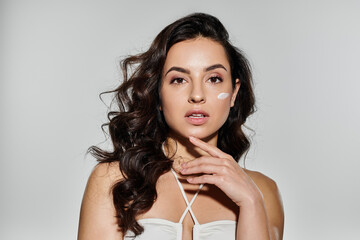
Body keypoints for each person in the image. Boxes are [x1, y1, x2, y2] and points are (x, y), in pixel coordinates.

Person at [78, 13, 284, 240]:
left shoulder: (263, 191)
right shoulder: (115, 181)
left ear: (234, 93)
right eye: (179, 79)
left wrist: (251, 202)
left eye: (214, 79)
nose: (197, 95)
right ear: (157, 94)